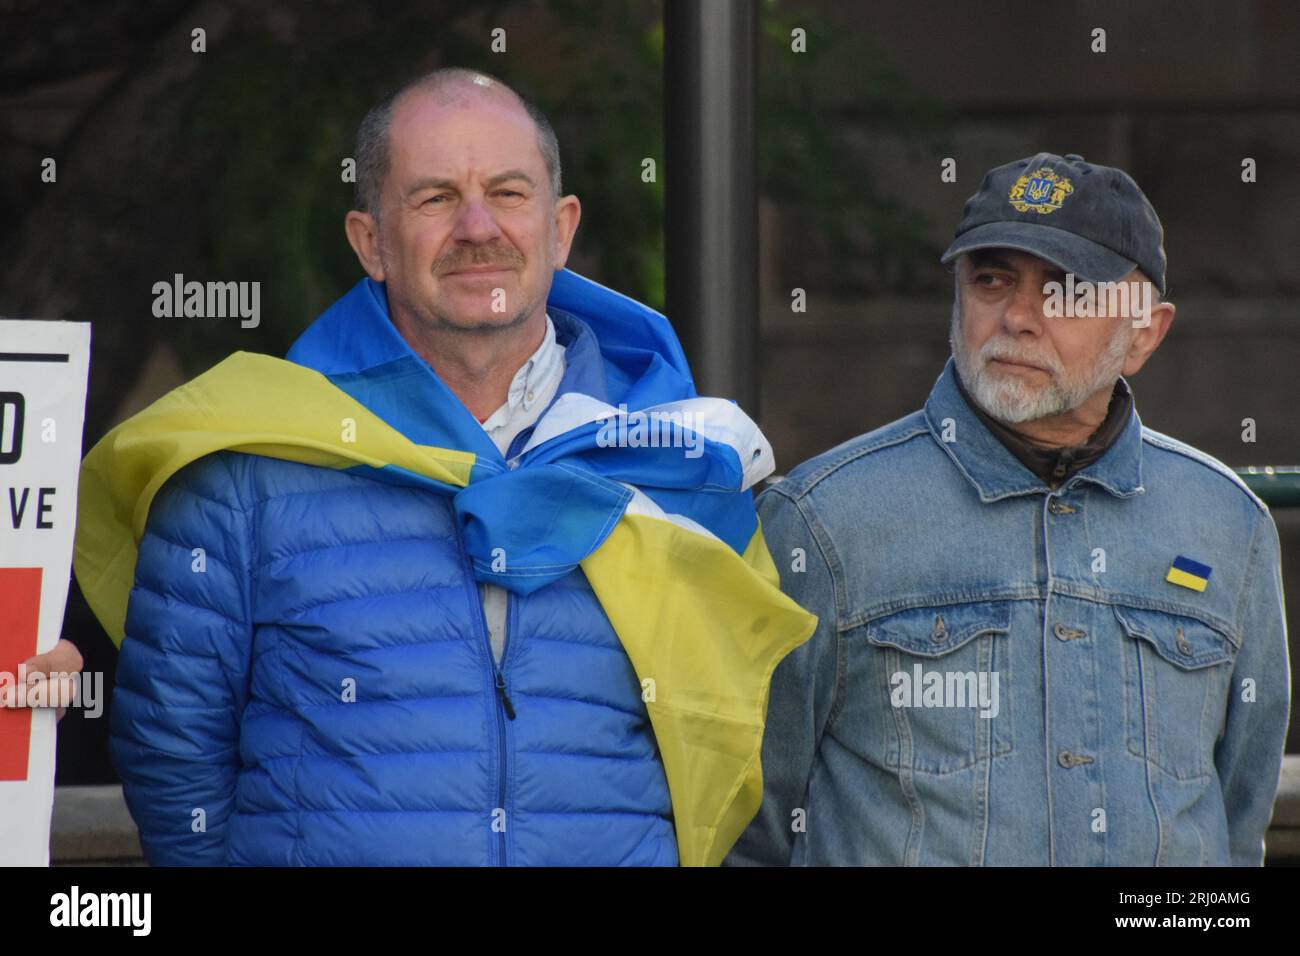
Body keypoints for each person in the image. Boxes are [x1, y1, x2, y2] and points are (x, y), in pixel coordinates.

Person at [76, 68, 813, 866]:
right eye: (433, 198)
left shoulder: (674, 465)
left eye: (507, 193)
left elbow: (742, 749)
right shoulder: (247, 464)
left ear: (560, 229)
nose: (476, 227)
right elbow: (174, 760)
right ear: (371, 243)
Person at [727, 152, 1291, 866]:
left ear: (1144, 332)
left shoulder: (1228, 525)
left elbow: (1238, 820)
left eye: (1067, 290)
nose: (1020, 317)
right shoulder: (821, 522)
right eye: (992, 279)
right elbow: (749, 824)